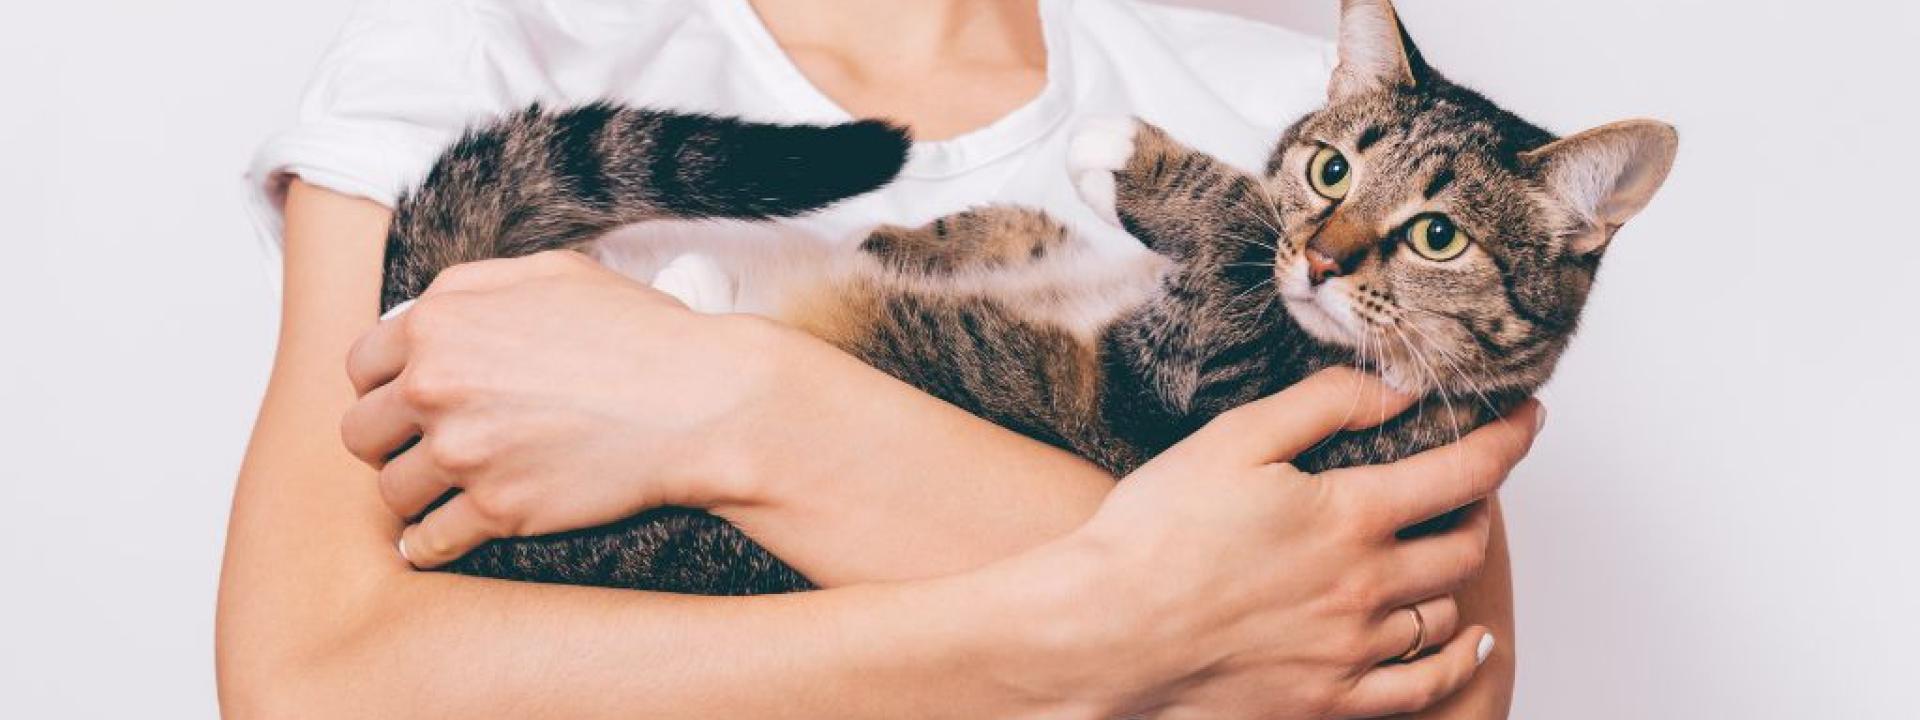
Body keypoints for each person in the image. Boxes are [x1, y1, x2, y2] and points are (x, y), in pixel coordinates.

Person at [218, 0, 1538, 716]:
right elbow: (315, 680)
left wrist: (735, 407)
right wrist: (1105, 631)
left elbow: (1411, 676)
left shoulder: (1324, 125)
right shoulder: (482, 48)